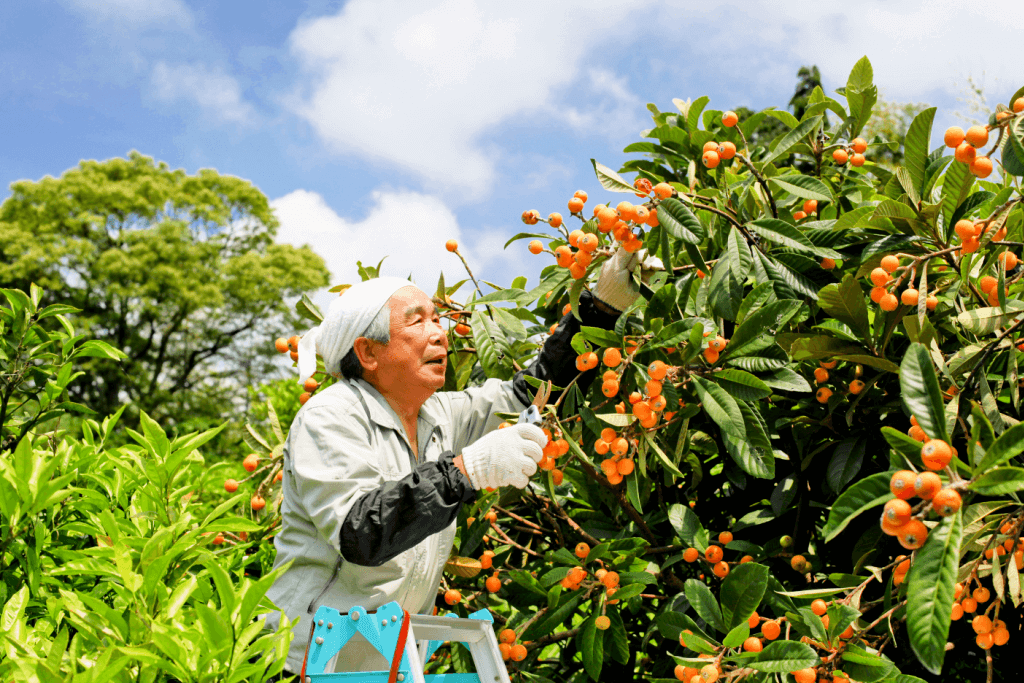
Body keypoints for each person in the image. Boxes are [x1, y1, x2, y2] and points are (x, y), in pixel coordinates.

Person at [263, 246, 657, 676]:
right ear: (369, 352)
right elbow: (361, 532)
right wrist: (464, 471)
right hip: (305, 663)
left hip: (388, 664)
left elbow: (529, 395)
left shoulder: (440, 414)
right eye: (417, 321)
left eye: (437, 319)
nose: (440, 333)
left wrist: (599, 309)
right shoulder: (330, 416)